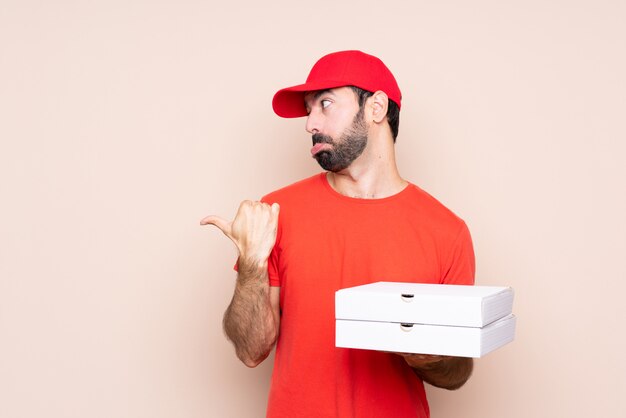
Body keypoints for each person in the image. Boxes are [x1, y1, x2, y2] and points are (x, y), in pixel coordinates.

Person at [201, 50, 475, 418]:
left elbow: (457, 373)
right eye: (309, 108)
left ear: (376, 108)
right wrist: (251, 265)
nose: (310, 123)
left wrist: (426, 355)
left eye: (325, 104)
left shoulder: (446, 232)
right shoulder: (276, 213)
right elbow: (251, 351)